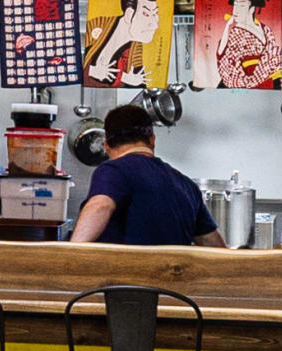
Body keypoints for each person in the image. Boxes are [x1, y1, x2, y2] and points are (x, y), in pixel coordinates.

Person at [70, 103, 218, 247]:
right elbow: (212, 244)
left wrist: (68, 255)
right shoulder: (187, 186)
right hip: (175, 270)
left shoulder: (114, 170)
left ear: (107, 146)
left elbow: (100, 206)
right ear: (152, 140)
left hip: (127, 270)